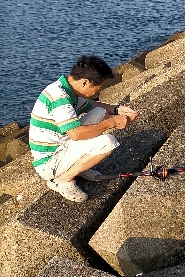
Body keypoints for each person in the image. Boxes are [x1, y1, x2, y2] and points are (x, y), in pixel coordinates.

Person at [29, 55, 139, 203]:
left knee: (101, 113)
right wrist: (112, 123)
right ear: (85, 82)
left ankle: (78, 166)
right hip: (49, 163)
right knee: (109, 142)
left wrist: (118, 109)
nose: (97, 93)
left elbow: (94, 106)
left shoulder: (66, 89)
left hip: (62, 146)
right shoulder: (59, 98)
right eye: (98, 88)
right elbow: (76, 134)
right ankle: (62, 180)